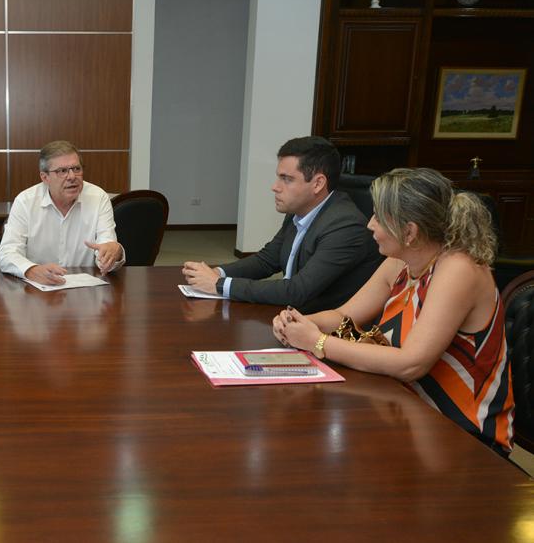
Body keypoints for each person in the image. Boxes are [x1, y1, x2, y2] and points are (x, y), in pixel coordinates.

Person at [273, 168, 513, 455]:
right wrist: (298, 322)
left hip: (460, 432)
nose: (370, 225)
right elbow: (344, 316)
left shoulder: (457, 269)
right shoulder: (403, 260)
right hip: (404, 408)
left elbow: (411, 364)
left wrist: (316, 342)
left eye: (378, 217)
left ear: (409, 232)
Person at [182, 136, 381, 313]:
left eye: (286, 179)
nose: (275, 187)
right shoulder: (299, 210)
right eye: (278, 177)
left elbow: (296, 291)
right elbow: (267, 260)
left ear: (318, 184)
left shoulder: (345, 227)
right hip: (292, 317)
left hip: (327, 331)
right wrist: (217, 273)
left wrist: (219, 284)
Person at [0, 140, 125, 285]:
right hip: (38, 291)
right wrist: (31, 270)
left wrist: (113, 253)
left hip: (84, 292)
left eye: (76, 169)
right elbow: (6, 253)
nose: (71, 176)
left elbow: (106, 248)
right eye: (62, 171)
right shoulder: (25, 202)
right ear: (45, 177)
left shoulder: (98, 198)